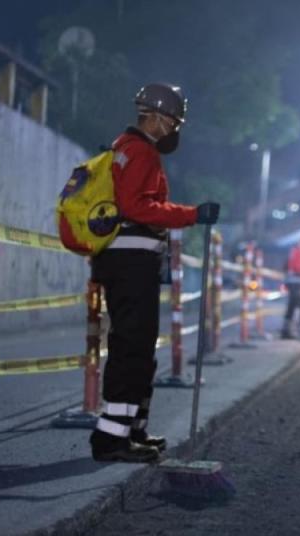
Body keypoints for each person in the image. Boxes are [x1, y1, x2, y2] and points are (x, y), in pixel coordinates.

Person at [89, 83, 220, 463]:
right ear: (157, 117)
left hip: (127, 261)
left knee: (139, 348)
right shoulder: (141, 151)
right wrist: (192, 214)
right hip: (131, 262)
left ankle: (131, 430)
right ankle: (111, 439)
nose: (175, 129)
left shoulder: (124, 149)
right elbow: (137, 207)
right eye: (174, 122)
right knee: (132, 348)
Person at [281, 238, 300, 339]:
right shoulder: (298, 252)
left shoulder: (298, 252)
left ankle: (288, 329)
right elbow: (298, 268)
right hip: (294, 282)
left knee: (294, 305)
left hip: (295, 282)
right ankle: (294, 329)